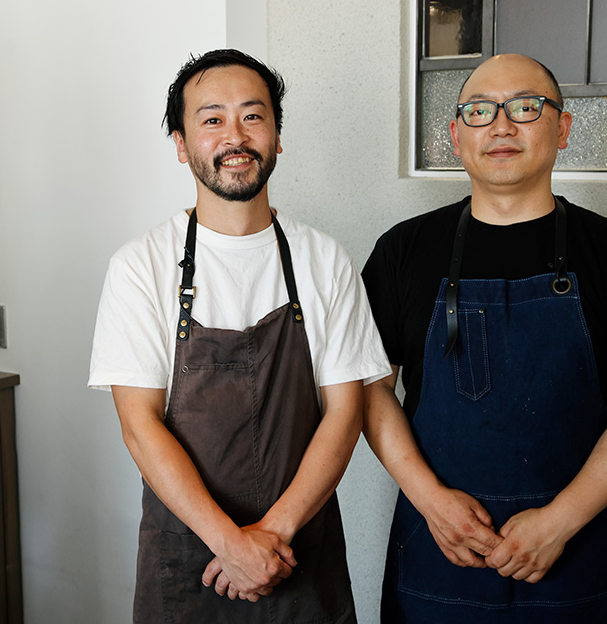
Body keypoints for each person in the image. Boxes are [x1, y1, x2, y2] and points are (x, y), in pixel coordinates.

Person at [361, 53, 607, 623]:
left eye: (525, 107)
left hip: (583, 559)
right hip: (442, 556)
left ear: (562, 128)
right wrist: (433, 504)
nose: (500, 126)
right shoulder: (403, 252)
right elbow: (369, 392)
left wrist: (559, 520)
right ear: (455, 135)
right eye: (479, 111)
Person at [89, 48, 390, 623]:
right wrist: (231, 545)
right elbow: (139, 426)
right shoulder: (140, 266)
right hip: (189, 561)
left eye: (253, 116)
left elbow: (346, 413)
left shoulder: (324, 260)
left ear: (278, 137)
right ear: (181, 144)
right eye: (211, 119)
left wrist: (269, 540)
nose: (235, 136)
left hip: (299, 554)